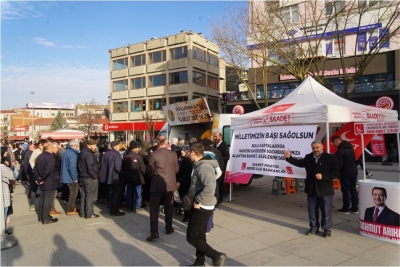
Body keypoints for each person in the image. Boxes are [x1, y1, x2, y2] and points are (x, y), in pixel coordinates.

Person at [284, 140, 339, 238]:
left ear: (322, 147)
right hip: (311, 188)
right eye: (314, 148)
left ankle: (327, 229)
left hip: (325, 189)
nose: (316, 150)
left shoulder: (331, 158)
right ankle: (313, 228)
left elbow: (336, 173)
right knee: (312, 210)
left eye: (317, 147)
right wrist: (289, 158)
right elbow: (299, 163)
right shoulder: (308, 157)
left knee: (326, 210)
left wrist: (323, 176)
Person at [186, 142, 226, 266]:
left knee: (192, 237)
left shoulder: (203, 167)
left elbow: (209, 187)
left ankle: (216, 256)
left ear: (193, 152)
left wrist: (198, 200)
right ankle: (199, 262)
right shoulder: (200, 165)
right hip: (203, 204)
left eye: (188, 152)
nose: (187, 154)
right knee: (200, 236)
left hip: (202, 206)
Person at [146, 135, 179, 241]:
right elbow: (176, 169)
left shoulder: (153, 155)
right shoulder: (173, 154)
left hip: (157, 185)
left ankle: (154, 231)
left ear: (157, 143)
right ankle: (169, 227)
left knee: (154, 208)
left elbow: (149, 171)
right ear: (166, 143)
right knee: (169, 206)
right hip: (170, 184)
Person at [35, 140, 61, 224]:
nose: (54, 149)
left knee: (43, 199)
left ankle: (41, 216)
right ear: (50, 148)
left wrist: (38, 179)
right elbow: (48, 170)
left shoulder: (40, 156)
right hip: (49, 181)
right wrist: (41, 179)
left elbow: (36, 169)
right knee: (47, 201)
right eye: (53, 147)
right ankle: (46, 218)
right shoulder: (50, 157)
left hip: (43, 181)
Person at [332, 136, 359, 214]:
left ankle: (345, 208)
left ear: (336, 142)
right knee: (353, 189)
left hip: (345, 173)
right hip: (354, 171)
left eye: (334, 143)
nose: (334, 145)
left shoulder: (340, 151)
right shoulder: (350, 148)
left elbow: (339, 165)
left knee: (345, 191)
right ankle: (354, 208)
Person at [100, 140, 125, 216]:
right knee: (116, 194)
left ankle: (111, 209)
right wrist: (123, 174)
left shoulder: (106, 154)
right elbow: (118, 167)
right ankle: (114, 210)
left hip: (108, 178)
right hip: (115, 178)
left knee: (111, 194)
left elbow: (102, 166)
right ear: (116, 146)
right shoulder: (116, 154)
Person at [78, 139, 100, 219]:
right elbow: (90, 167)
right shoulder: (88, 154)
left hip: (83, 177)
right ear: (89, 145)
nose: (95, 147)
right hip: (89, 177)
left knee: (84, 195)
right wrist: (94, 177)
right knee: (91, 196)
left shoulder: (82, 152)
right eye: (94, 146)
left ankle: (83, 213)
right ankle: (89, 213)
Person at [122, 140, 146, 213]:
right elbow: (143, 168)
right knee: (138, 192)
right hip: (137, 178)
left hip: (128, 178)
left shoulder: (125, 157)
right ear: (135, 148)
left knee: (129, 192)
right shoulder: (138, 157)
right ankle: (137, 207)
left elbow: (123, 167)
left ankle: (130, 207)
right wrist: (144, 174)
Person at [60, 140, 80, 215]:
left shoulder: (65, 152)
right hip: (70, 177)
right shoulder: (72, 154)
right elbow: (72, 167)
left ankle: (72, 207)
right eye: (77, 146)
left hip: (65, 176)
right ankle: (70, 209)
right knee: (73, 194)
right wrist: (75, 178)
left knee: (71, 193)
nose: (78, 147)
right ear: (75, 145)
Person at [176, 145, 193, 222]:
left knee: (186, 198)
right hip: (186, 182)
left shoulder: (187, 161)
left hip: (186, 183)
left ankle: (187, 215)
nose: (182, 151)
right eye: (182, 150)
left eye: (184, 150)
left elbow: (186, 173)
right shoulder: (184, 160)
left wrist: (180, 181)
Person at [213, 132, 229, 205]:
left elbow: (227, 157)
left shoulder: (224, 145)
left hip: (221, 167)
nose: (215, 138)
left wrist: (219, 158)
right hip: (215, 167)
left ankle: (220, 199)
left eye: (216, 137)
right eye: (214, 137)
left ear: (220, 137)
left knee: (220, 183)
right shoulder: (215, 145)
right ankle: (216, 197)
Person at [2, 148, 15, 234]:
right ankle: (3, 230)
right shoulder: (2, 167)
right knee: (4, 212)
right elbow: (12, 175)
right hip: (3, 192)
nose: (7, 153)